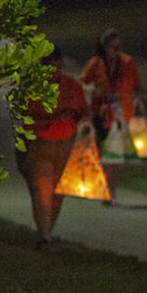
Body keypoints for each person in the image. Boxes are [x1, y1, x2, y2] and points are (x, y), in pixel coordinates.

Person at [17, 46, 88, 248]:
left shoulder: (72, 86)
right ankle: (45, 236)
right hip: (39, 143)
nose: (51, 70)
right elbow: (23, 113)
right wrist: (53, 117)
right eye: (47, 64)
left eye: (55, 64)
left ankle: (47, 231)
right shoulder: (31, 87)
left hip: (66, 143)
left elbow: (83, 111)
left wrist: (80, 121)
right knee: (42, 187)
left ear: (60, 64)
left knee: (58, 191)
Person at [79, 28, 142, 202]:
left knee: (117, 153)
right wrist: (94, 91)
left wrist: (133, 98)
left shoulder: (127, 63)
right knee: (104, 152)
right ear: (104, 47)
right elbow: (83, 84)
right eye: (112, 47)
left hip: (121, 114)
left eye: (118, 47)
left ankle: (111, 189)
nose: (116, 51)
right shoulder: (95, 64)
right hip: (101, 113)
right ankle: (104, 184)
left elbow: (136, 86)